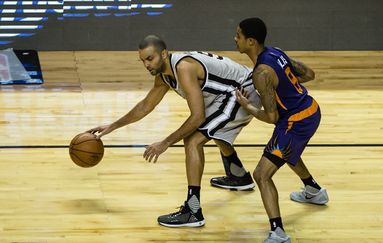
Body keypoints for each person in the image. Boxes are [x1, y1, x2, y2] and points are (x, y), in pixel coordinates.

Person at [87, 35, 261, 227]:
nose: (146, 65)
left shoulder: (183, 68)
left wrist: (165, 143)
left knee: (193, 140)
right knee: (209, 129)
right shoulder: (164, 75)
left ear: (163, 54)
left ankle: (193, 211)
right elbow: (146, 106)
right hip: (226, 94)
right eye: (143, 60)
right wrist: (112, 126)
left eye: (150, 59)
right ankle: (239, 176)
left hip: (243, 92)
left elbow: (197, 117)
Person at [234, 18, 329, 242]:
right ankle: (314, 190)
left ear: (251, 41)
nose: (234, 39)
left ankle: (278, 233)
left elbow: (271, 116)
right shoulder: (275, 52)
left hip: (296, 121)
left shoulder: (261, 73)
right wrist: (284, 88)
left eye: (238, 35)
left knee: (261, 174)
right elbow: (309, 74)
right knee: (286, 150)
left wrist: (247, 105)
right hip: (310, 108)